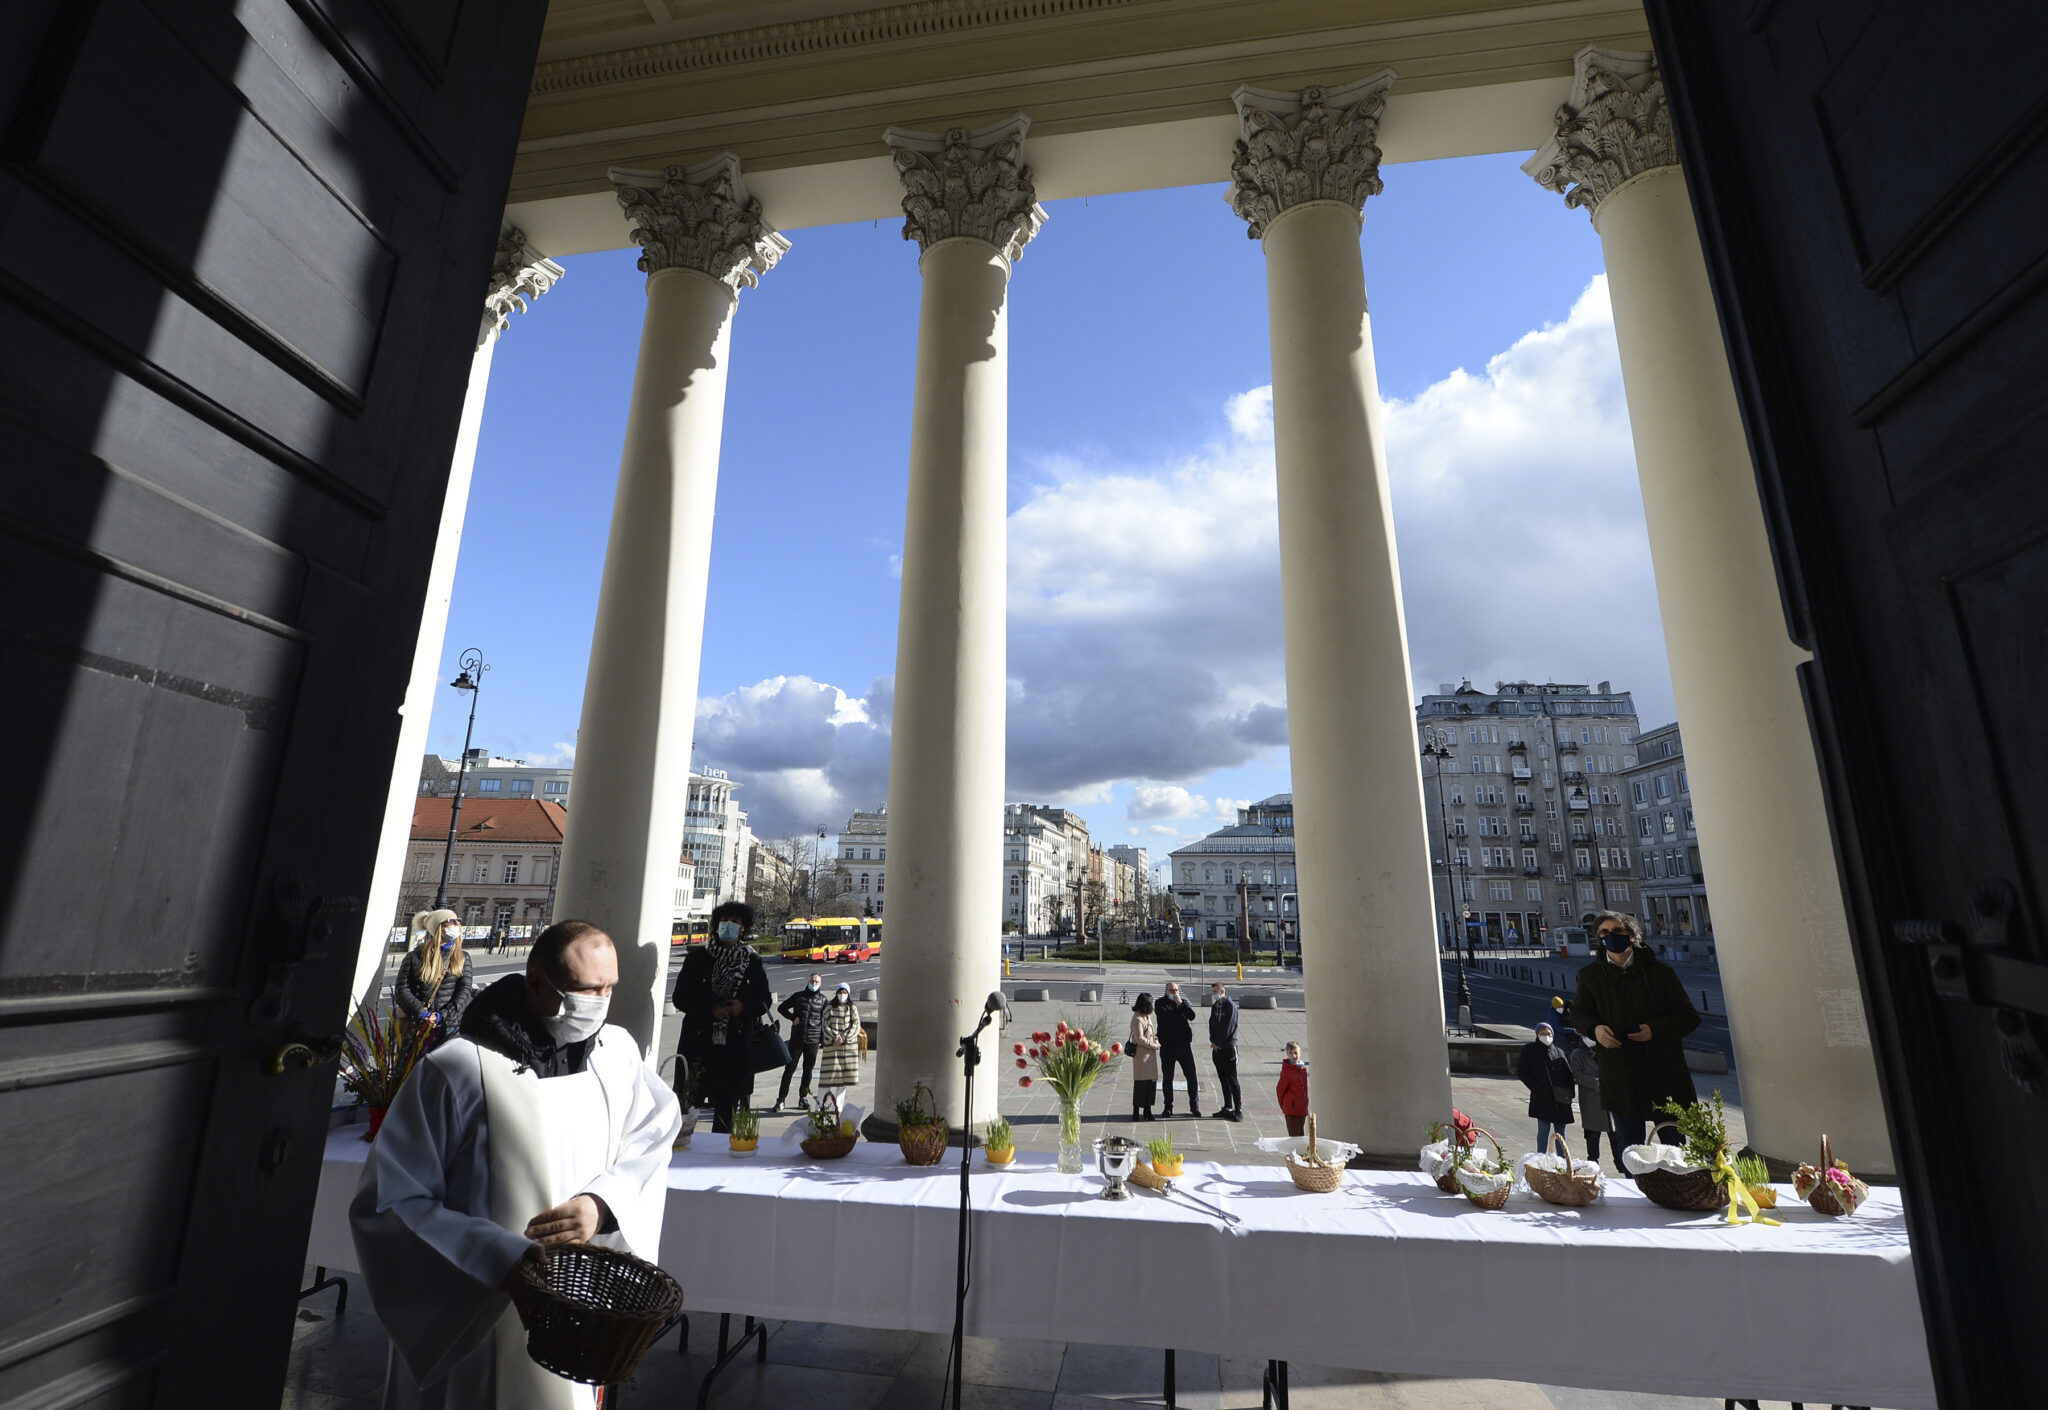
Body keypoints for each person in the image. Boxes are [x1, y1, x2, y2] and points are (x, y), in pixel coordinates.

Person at [351, 919, 681, 1409]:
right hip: (478, 1310)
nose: (599, 1002)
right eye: (585, 989)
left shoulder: (617, 1055)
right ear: (534, 981)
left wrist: (602, 1203)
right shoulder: (459, 1068)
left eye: (609, 988)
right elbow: (390, 1201)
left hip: (574, 1301)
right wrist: (495, 1255)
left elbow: (654, 1132)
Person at [1570, 910, 1702, 1155]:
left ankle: (1676, 1191)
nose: (1611, 937)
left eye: (1617, 931)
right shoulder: (1590, 976)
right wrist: (1595, 1029)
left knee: (1675, 1151)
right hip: (1621, 1077)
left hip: (1664, 1075)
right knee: (1631, 1152)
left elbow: (1689, 1017)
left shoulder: (1660, 974)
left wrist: (1654, 1030)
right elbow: (1579, 1014)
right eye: (1604, 933)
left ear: (1632, 936)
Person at [673, 901, 771, 1133]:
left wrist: (743, 1006)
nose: (729, 925)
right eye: (724, 921)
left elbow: (764, 1000)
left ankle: (718, 1159)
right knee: (688, 1105)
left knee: (727, 1110)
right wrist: (710, 1009)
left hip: (734, 1047)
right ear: (716, 924)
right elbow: (680, 998)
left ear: (743, 928)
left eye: (735, 922)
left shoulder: (752, 961)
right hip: (698, 1044)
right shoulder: (698, 958)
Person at [394, 909, 475, 1037]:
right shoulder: (414, 956)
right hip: (418, 1024)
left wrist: (441, 1016)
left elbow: (464, 990)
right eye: (450, 921)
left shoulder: (462, 957)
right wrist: (422, 1013)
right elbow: (402, 989)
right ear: (438, 927)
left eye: (457, 921)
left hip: (449, 1026)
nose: (456, 924)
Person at [1517, 1020, 1576, 1156]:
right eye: (1542, 1033)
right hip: (1542, 1097)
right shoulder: (1530, 1049)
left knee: (1561, 1131)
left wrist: (1569, 1093)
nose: (1546, 1036)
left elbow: (1568, 1075)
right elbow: (1523, 1072)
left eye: (1548, 1033)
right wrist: (1536, 1089)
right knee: (1543, 1129)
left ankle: (1563, 1160)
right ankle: (1541, 1158)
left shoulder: (1559, 1051)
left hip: (1560, 1099)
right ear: (1537, 1034)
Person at [774, 972, 828, 1111]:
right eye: (812, 981)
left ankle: (803, 1098)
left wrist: (822, 1038)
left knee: (808, 1070)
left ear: (820, 984)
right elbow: (782, 1008)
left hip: (813, 1040)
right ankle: (781, 1099)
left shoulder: (823, 1000)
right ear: (808, 981)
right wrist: (793, 1018)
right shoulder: (799, 996)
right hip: (797, 1039)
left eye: (816, 982)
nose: (814, 984)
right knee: (790, 1069)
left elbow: (824, 1020)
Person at [1153, 980, 1201, 1118]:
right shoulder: (1160, 1003)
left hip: (1184, 1046)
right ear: (1166, 992)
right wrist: (1181, 1014)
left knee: (1191, 1076)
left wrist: (1180, 1005)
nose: (1174, 993)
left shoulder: (1183, 1002)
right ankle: (1168, 1106)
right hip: (1167, 1047)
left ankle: (1194, 1105)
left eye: (1176, 990)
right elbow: (1165, 1019)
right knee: (1168, 1078)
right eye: (1171, 990)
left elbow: (1192, 1016)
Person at [1568, 1028, 1610, 1167]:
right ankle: (1593, 1165)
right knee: (1593, 1136)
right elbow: (1578, 1075)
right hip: (1591, 1101)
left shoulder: (1605, 1051)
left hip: (1610, 1100)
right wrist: (1597, 1083)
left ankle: (1622, 1166)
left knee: (1617, 1137)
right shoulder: (1578, 1054)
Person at [818, 982, 861, 1093]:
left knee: (843, 1081)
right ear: (836, 993)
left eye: (845, 992)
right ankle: (820, 1105)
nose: (842, 995)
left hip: (847, 1047)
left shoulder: (852, 1008)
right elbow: (824, 1024)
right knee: (827, 1079)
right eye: (841, 992)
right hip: (832, 1046)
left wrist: (844, 1037)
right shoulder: (829, 1007)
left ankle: (838, 1107)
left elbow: (856, 1025)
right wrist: (834, 1037)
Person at [1208, 982, 1243, 1121]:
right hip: (1217, 1049)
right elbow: (1212, 1024)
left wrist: (1219, 1042)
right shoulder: (1215, 1006)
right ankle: (1227, 1107)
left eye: (1217, 991)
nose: (1215, 994)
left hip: (1228, 1048)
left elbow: (1228, 1027)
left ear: (1223, 991)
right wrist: (1213, 1042)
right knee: (1223, 1079)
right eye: (1213, 992)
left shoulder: (1230, 1006)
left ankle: (1238, 1109)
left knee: (1232, 1078)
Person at [1127, 993, 1161, 1121]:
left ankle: (1148, 1110)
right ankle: (1136, 1111)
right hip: (1142, 1055)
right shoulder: (1137, 1019)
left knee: (1150, 1083)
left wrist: (1156, 1040)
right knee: (1141, 1083)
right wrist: (1152, 1045)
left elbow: (1152, 1033)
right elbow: (1139, 1038)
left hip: (1150, 1056)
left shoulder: (1147, 1017)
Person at [1276, 1040, 1309, 1137]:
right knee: (1294, 1136)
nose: (1294, 1056)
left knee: (1301, 1134)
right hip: (1292, 1108)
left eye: (1295, 1053)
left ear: (1300, 1053)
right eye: (1290, 1053)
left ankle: (1299, 1152)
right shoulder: (1287, 1071)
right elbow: (1280, 1089)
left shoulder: (1303, 1070)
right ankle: (1294, 1152)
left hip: (1302, 1108)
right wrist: (1285, 1105)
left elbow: (1304, 1089)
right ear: (1287, 1054)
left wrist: (1305, 1103)